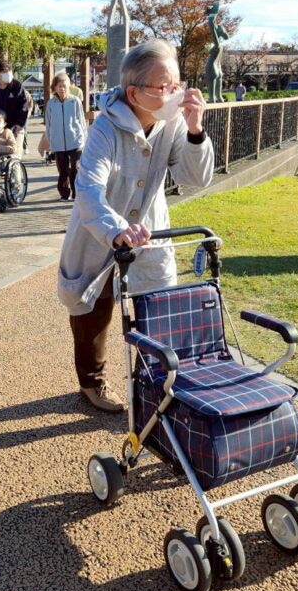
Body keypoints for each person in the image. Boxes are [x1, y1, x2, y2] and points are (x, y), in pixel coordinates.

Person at [57, 39, 214, 412]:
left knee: (155, 309)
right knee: (92, 309)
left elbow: (195, 177)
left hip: (150, 231)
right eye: (164, 87)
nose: (174, 93)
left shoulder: (171, 122)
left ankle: (152, 383)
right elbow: (88, 189)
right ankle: (91, 382)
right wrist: (115, 230)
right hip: (99, 232)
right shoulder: (105, 128)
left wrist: (195, 130)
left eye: (177, 84)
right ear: (134, 92)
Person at [44, 72, 87, 201]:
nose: (62, 89)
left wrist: (84, 139)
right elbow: (48, 124)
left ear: (69, 87)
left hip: (75, 140)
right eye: (59, 86)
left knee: (75, 169)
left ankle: (76, 194)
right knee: (62, 171)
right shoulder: (51, 104)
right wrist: (51, 142)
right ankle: (64, 193)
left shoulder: (75, 101)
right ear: (55, 88)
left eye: (65, 86)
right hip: (58, 143)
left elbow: (82, 121)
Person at [0, 59, 27, 147]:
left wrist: (19, 124)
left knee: (14, 155)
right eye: (4, 71)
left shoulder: (17, 86)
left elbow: (23, 106)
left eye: (9, 70)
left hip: (14, 127)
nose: (8, 73)